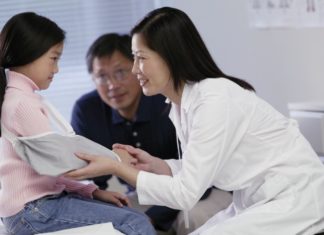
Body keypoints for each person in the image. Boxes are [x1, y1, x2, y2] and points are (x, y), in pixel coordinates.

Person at [66, 6, 324, 235]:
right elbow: (197, 168)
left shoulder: (214, 99)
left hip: (294, 199)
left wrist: (119, 168)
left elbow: (187, 193)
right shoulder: (181, 102)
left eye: (141, 58)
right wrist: (157, 165)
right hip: (259, 199)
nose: (135, 70)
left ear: (170, 57)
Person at [0, 12, 155, 235]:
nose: (56, 70)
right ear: (30, 52)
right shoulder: (22, 103)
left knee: (135, 218)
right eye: (53, 58)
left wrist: (92, 191)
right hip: (33, 210)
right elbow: (62, 162)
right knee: (136, 223)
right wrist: (114, 159)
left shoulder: (21, 97)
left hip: (37, 206)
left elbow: (52, 166)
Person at [71, 33, 232, 234]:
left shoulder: (166, 101)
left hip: (204, 191)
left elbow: (199, 181)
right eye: (102, 76)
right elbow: (87, 176)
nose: (112, 85)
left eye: (120, 72)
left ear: (137, 69)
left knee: (191, 218)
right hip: (145, 193)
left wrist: (154, 217)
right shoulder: (86, 110)